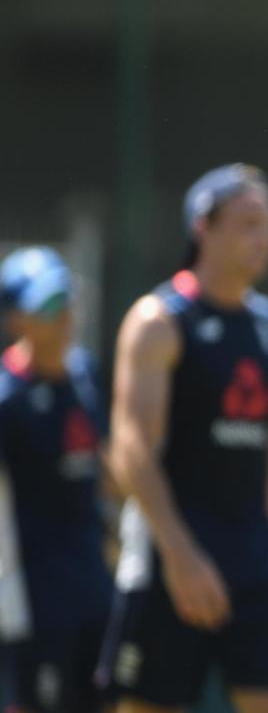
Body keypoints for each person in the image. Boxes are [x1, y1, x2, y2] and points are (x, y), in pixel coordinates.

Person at [97, 164, 268, 713]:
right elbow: (130, 446)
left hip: (256, 563)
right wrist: (181, 556)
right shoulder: (159, 320)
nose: (264, 238)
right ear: (203, 228)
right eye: (249, 223)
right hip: (170, 561)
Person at [0, 247, 112, 712]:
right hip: (31, 605)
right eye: (48, 307)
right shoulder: (7, 399)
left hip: (93, 591)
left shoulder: (84, 375)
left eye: (67, 302)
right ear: (15, 320)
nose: (64, 316)